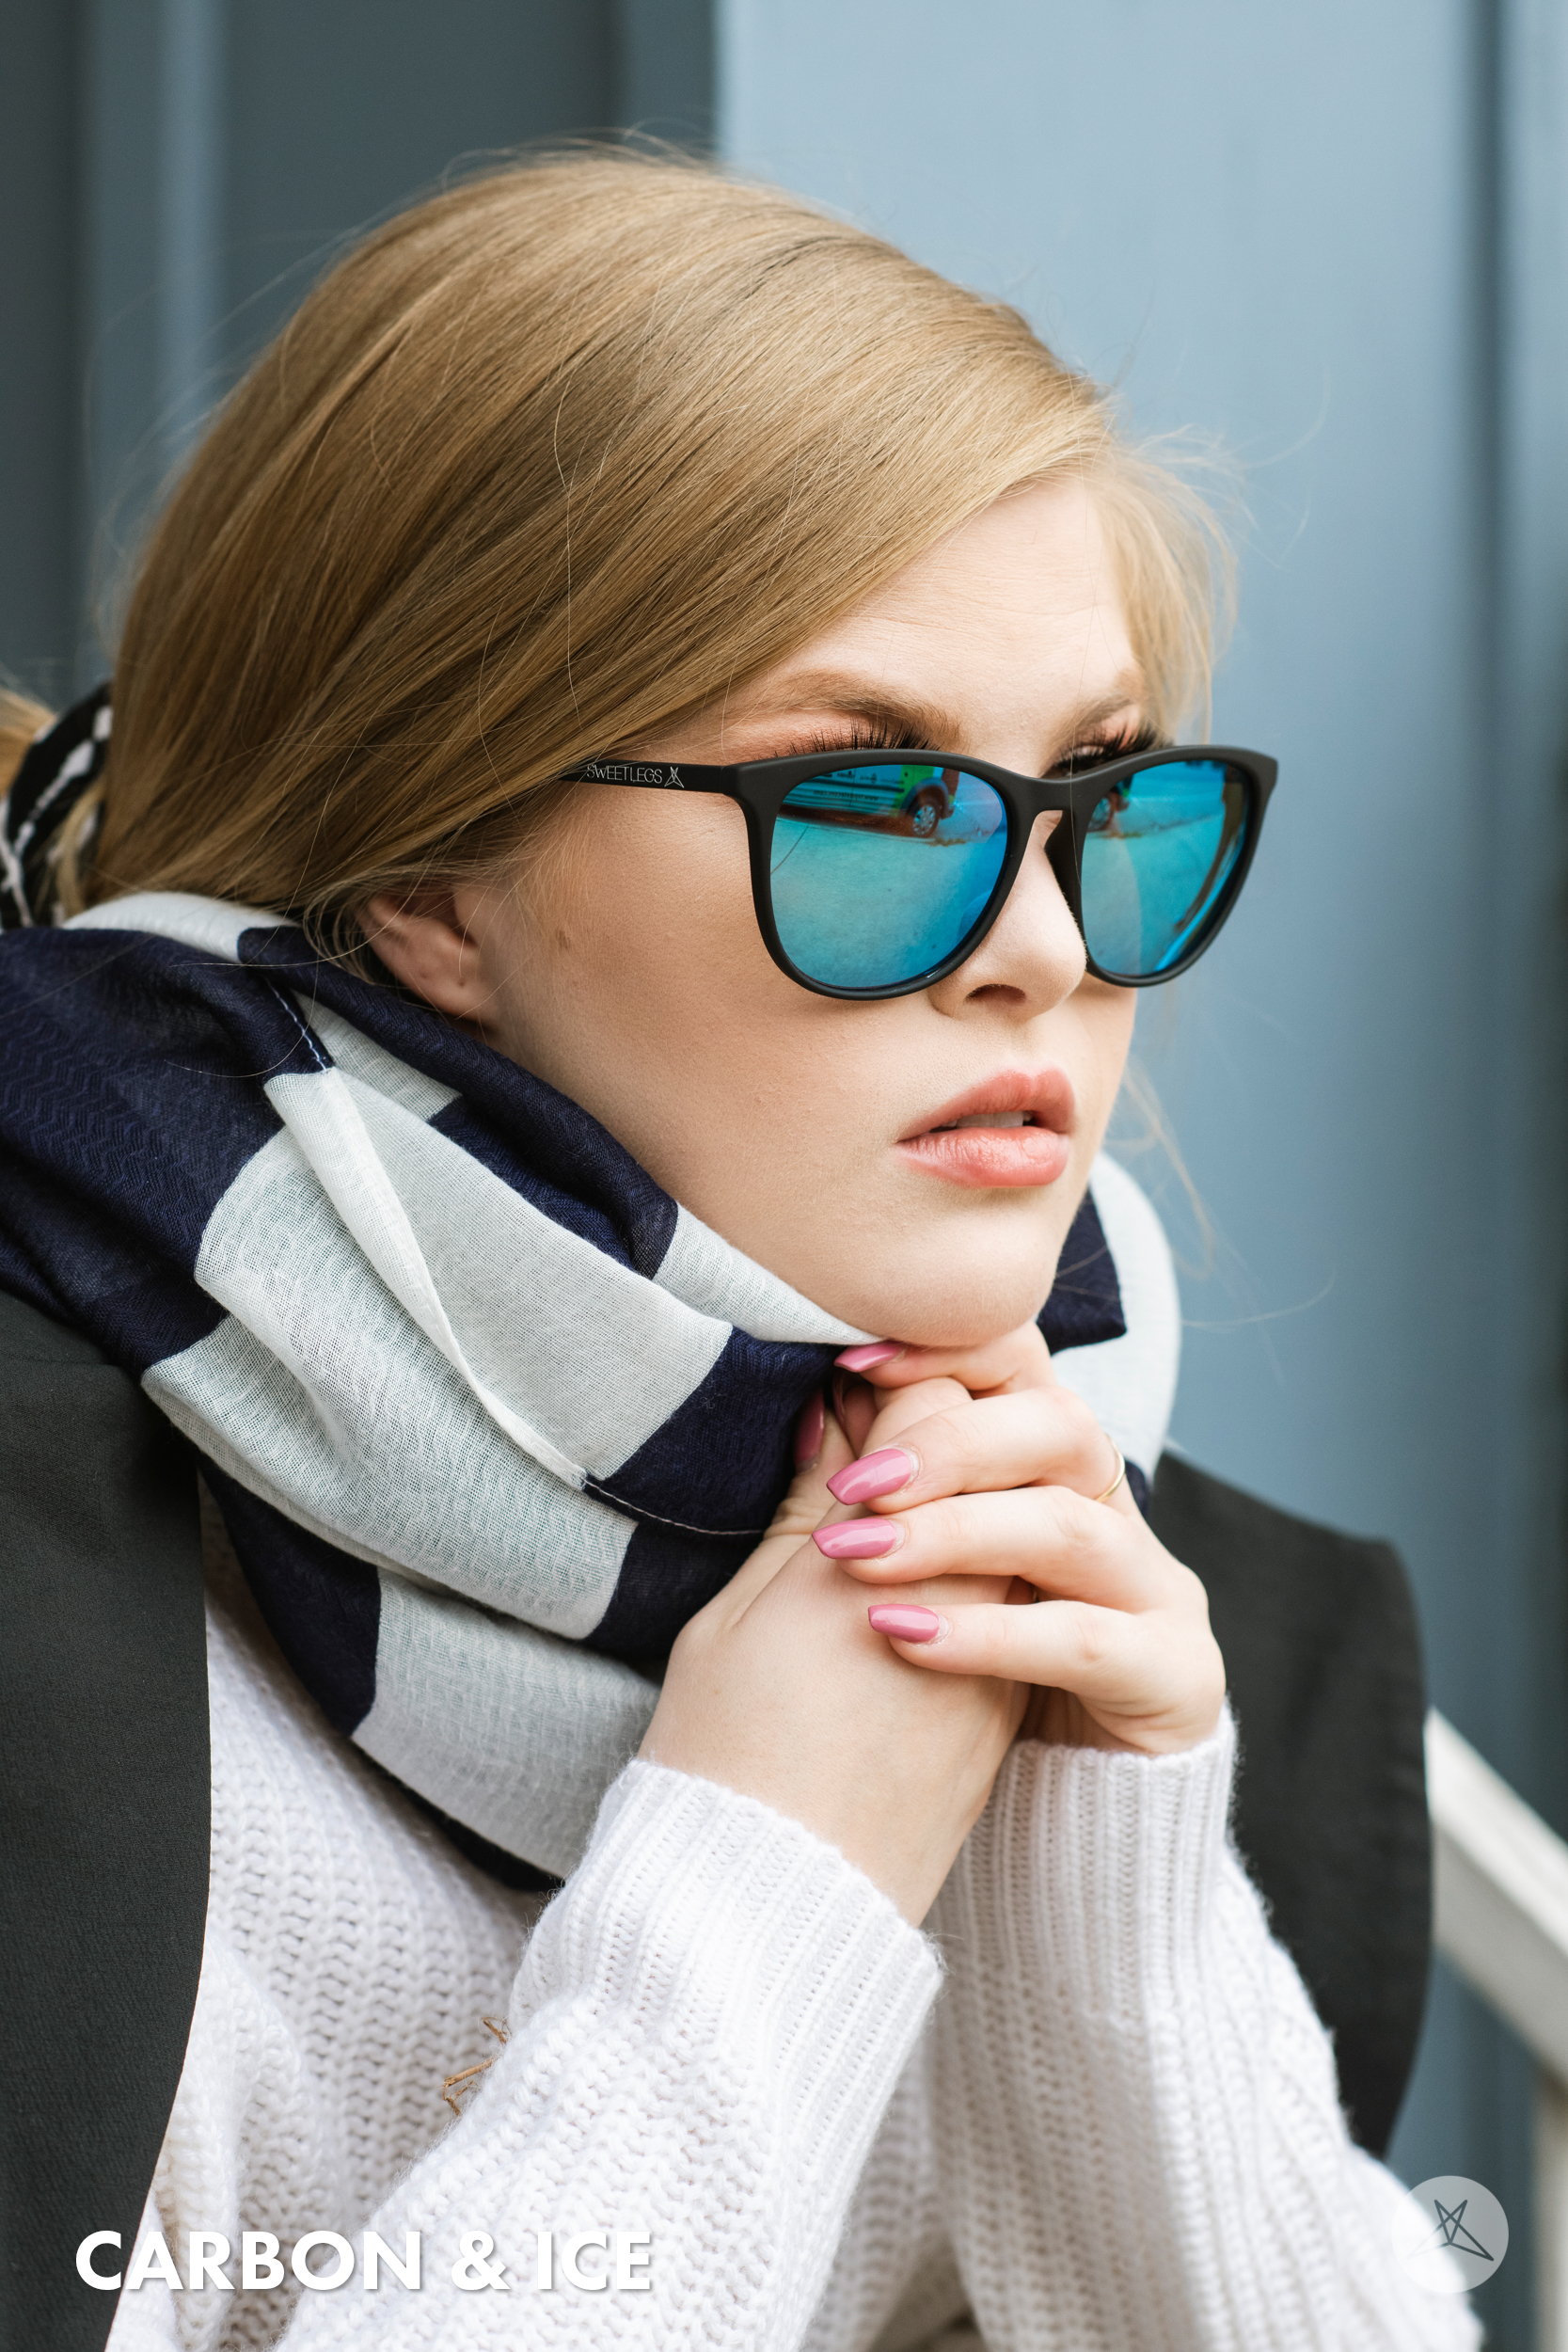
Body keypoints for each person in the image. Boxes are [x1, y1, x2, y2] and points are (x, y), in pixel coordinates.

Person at [0, 151, 1472, 2348]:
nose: (1039, 948)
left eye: (1102, 803)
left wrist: (1105, 1901)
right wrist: (780, 1863)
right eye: (870, 809)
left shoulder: (1181, 1628)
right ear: (429, 886)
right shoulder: (63, 1615)